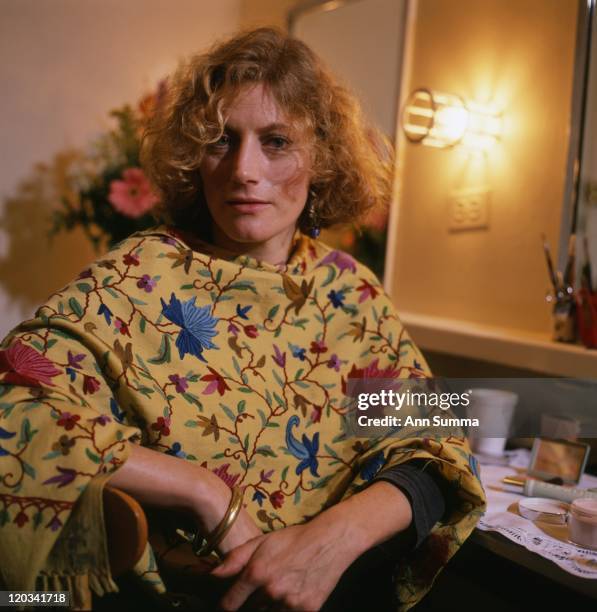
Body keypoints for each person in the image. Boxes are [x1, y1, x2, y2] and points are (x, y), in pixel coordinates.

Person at [0, 27, 485, 611]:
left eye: (276, 141)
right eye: (221, 141)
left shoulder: (349, 290)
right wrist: (206, 494)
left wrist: (331, 540)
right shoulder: (138, 273)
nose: (244, 170)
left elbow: (440, 441)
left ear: (322, 157)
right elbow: (17, 408)